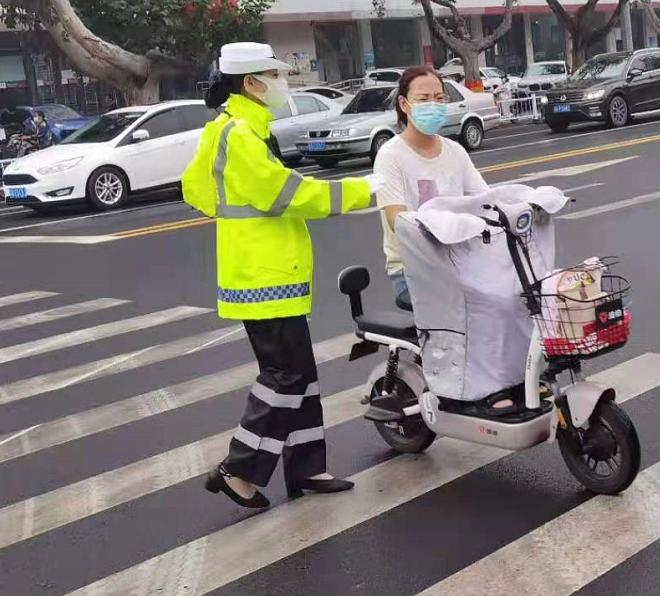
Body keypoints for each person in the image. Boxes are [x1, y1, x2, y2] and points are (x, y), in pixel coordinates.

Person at [182, 42, 383, 509]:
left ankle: (307, 467)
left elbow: (196, 188)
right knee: (285, 376)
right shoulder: (239, 135)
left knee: (301, 376)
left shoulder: (238, 129)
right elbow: (286, 195)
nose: (282, 82)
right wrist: (364, 190)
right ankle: (238, 470)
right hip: (261, 277)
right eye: (275, 75)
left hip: (269, 273)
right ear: (251, 82)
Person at [373, 65, 489, 310]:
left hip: (462, 259)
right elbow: (397, 220)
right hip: (414, 269)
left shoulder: (455, 151)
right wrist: (445, 225)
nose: (433, 105)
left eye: (438, 98)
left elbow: (486, 200)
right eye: (423, 99)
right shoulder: (390, 156)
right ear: (404, 104)